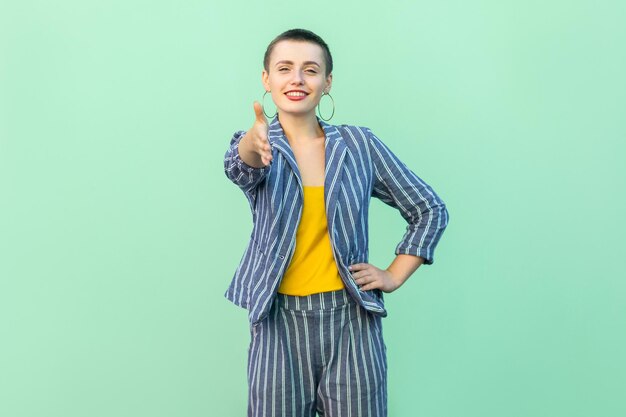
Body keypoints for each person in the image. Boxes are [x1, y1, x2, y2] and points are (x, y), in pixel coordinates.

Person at [223, 28, 449, 417]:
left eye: (310, 70)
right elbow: (240, 168)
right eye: (285, 68)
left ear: (327, 82)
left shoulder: (359, 145)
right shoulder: (260, 145)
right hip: (278, 322)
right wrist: (251, 143)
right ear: (267, 80)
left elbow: (429, 209)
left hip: (351, 320)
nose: (297, 79)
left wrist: (393, 274)